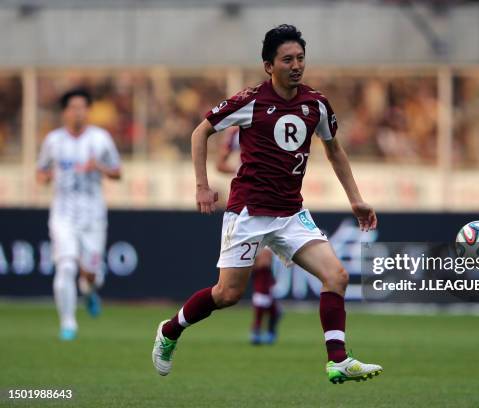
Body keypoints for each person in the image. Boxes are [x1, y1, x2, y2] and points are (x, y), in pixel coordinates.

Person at [152, 24, 382, 384]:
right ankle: (170, 330)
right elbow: (201, 132)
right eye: (287, 59)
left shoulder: (316, 104)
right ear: (268, 66)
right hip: (248, 212)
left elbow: (334, 150)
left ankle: (337, 359)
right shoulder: (250, 101)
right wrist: (202, 186)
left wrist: (356, 199)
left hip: (291, 213)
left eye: (301, 58)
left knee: (336, 275)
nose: (296, 65)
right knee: (227, 294)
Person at [36, 89, 122, 341]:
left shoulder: (101, 139)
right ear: (65, 112)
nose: (78, 112)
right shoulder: (53, 141)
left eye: (82, 107)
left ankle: (90, 291)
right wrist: (50, 175)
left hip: (93, 215)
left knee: (92, 274)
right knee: (65, 265)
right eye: (73, 107)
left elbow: (118, 172)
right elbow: (40, 173)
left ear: (88, 110)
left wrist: (100, 167)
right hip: (63, 214)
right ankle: (68, 323)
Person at [216, 129, 283, 345]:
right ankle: (273, 312)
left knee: (263, 261)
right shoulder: (236, 132)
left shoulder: (277, 123)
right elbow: (220, 163)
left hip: (273, 202)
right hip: (244, 205)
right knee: (251, 267)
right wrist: (243, 170)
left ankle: (256, 326)